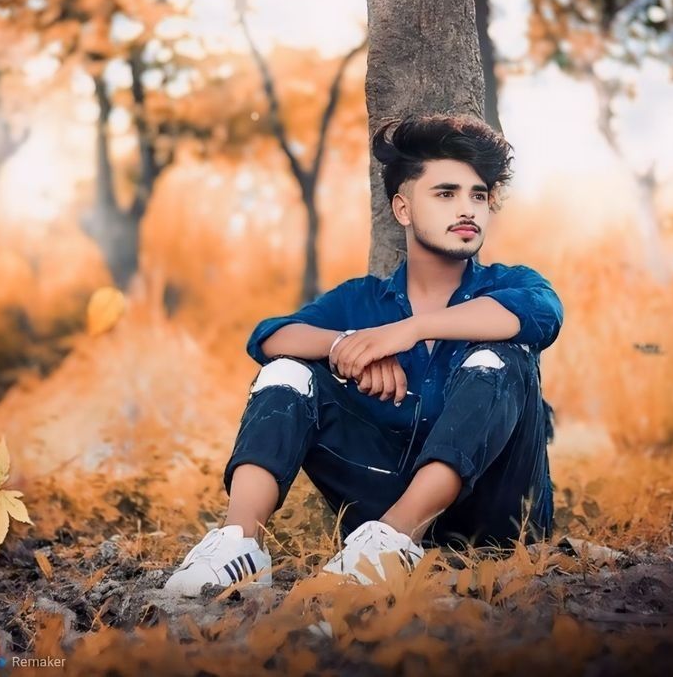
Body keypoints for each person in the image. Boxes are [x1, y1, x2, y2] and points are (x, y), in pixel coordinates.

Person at [164, 114, 563, 596]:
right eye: (446, 193)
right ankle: (239, 546)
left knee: (500, 358)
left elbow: (540, 314)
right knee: (290, 371)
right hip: (378, 496)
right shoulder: (361, 300)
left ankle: (393, 543)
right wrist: (344, 347)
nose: (468, 209)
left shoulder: (509, 284)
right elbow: (269, 337)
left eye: (478, 195)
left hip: (497, 520)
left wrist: (406, 333)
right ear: (403, 209)